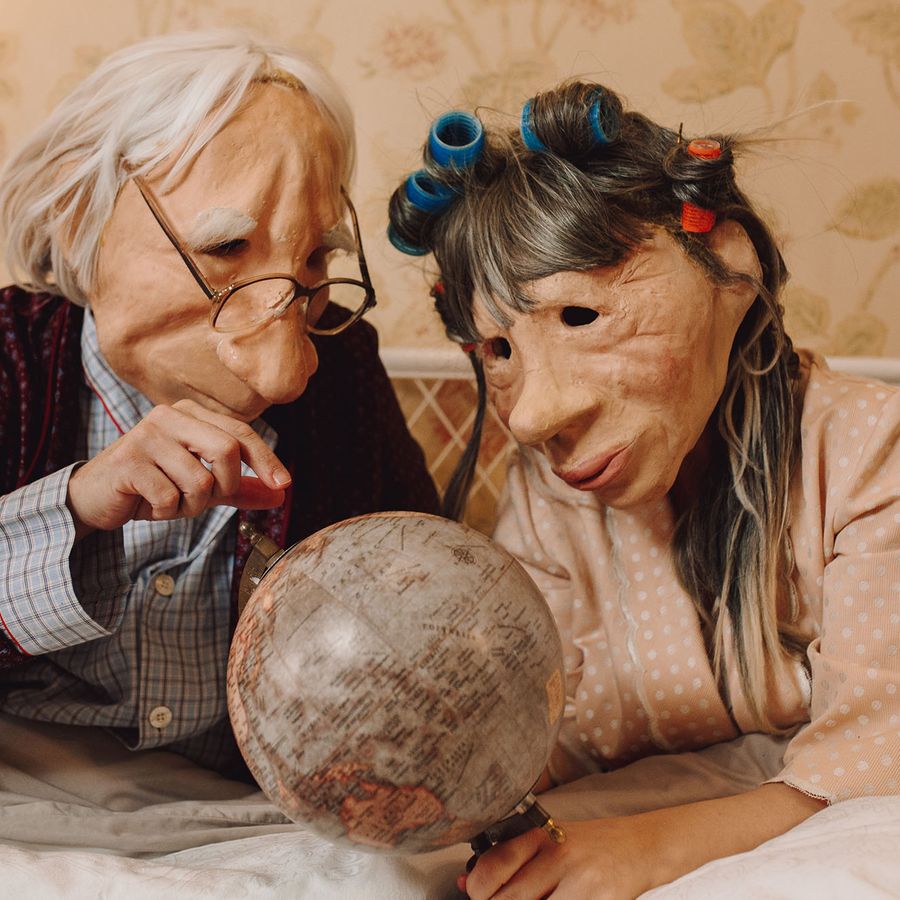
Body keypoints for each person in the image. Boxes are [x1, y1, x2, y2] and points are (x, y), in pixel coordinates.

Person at [388, 82, 899, 898]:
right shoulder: (547, 503)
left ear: (728, 267)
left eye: (580, 316)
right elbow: (539, 737)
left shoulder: (871, 449)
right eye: (498, 350)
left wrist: (650, 851)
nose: (532, 416)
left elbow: (875, 754)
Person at [0, 30, 438, 779]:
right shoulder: (12, 356)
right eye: (227, 248)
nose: (286, 376)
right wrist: (74, 508)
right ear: (79, 220)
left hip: (253, 801)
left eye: (314, 259)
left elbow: (421, 599)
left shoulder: (343, 370)